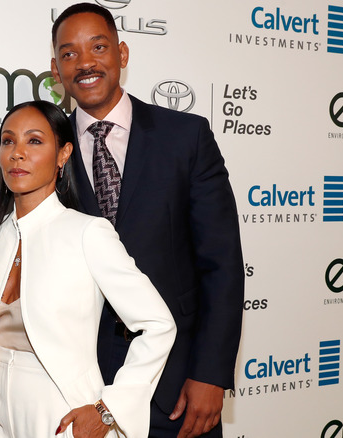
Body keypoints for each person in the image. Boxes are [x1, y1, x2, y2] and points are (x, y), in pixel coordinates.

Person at [50, 4, 245, 438]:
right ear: (55, 69)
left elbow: (222, 264)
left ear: (122, 52)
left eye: (98, 47)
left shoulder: (186, 137)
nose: (85, 63)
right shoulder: (45, 150)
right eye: (69, 53)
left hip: (176, 387)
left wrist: (211, 374)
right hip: (80, 390)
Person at [0, 100, 176, 438]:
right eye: (8, 141)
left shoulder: (86, 233)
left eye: (34, 141)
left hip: (61, 413)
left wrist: (109, 409)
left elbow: (158, 326)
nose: (17, 153)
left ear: (63, 154)